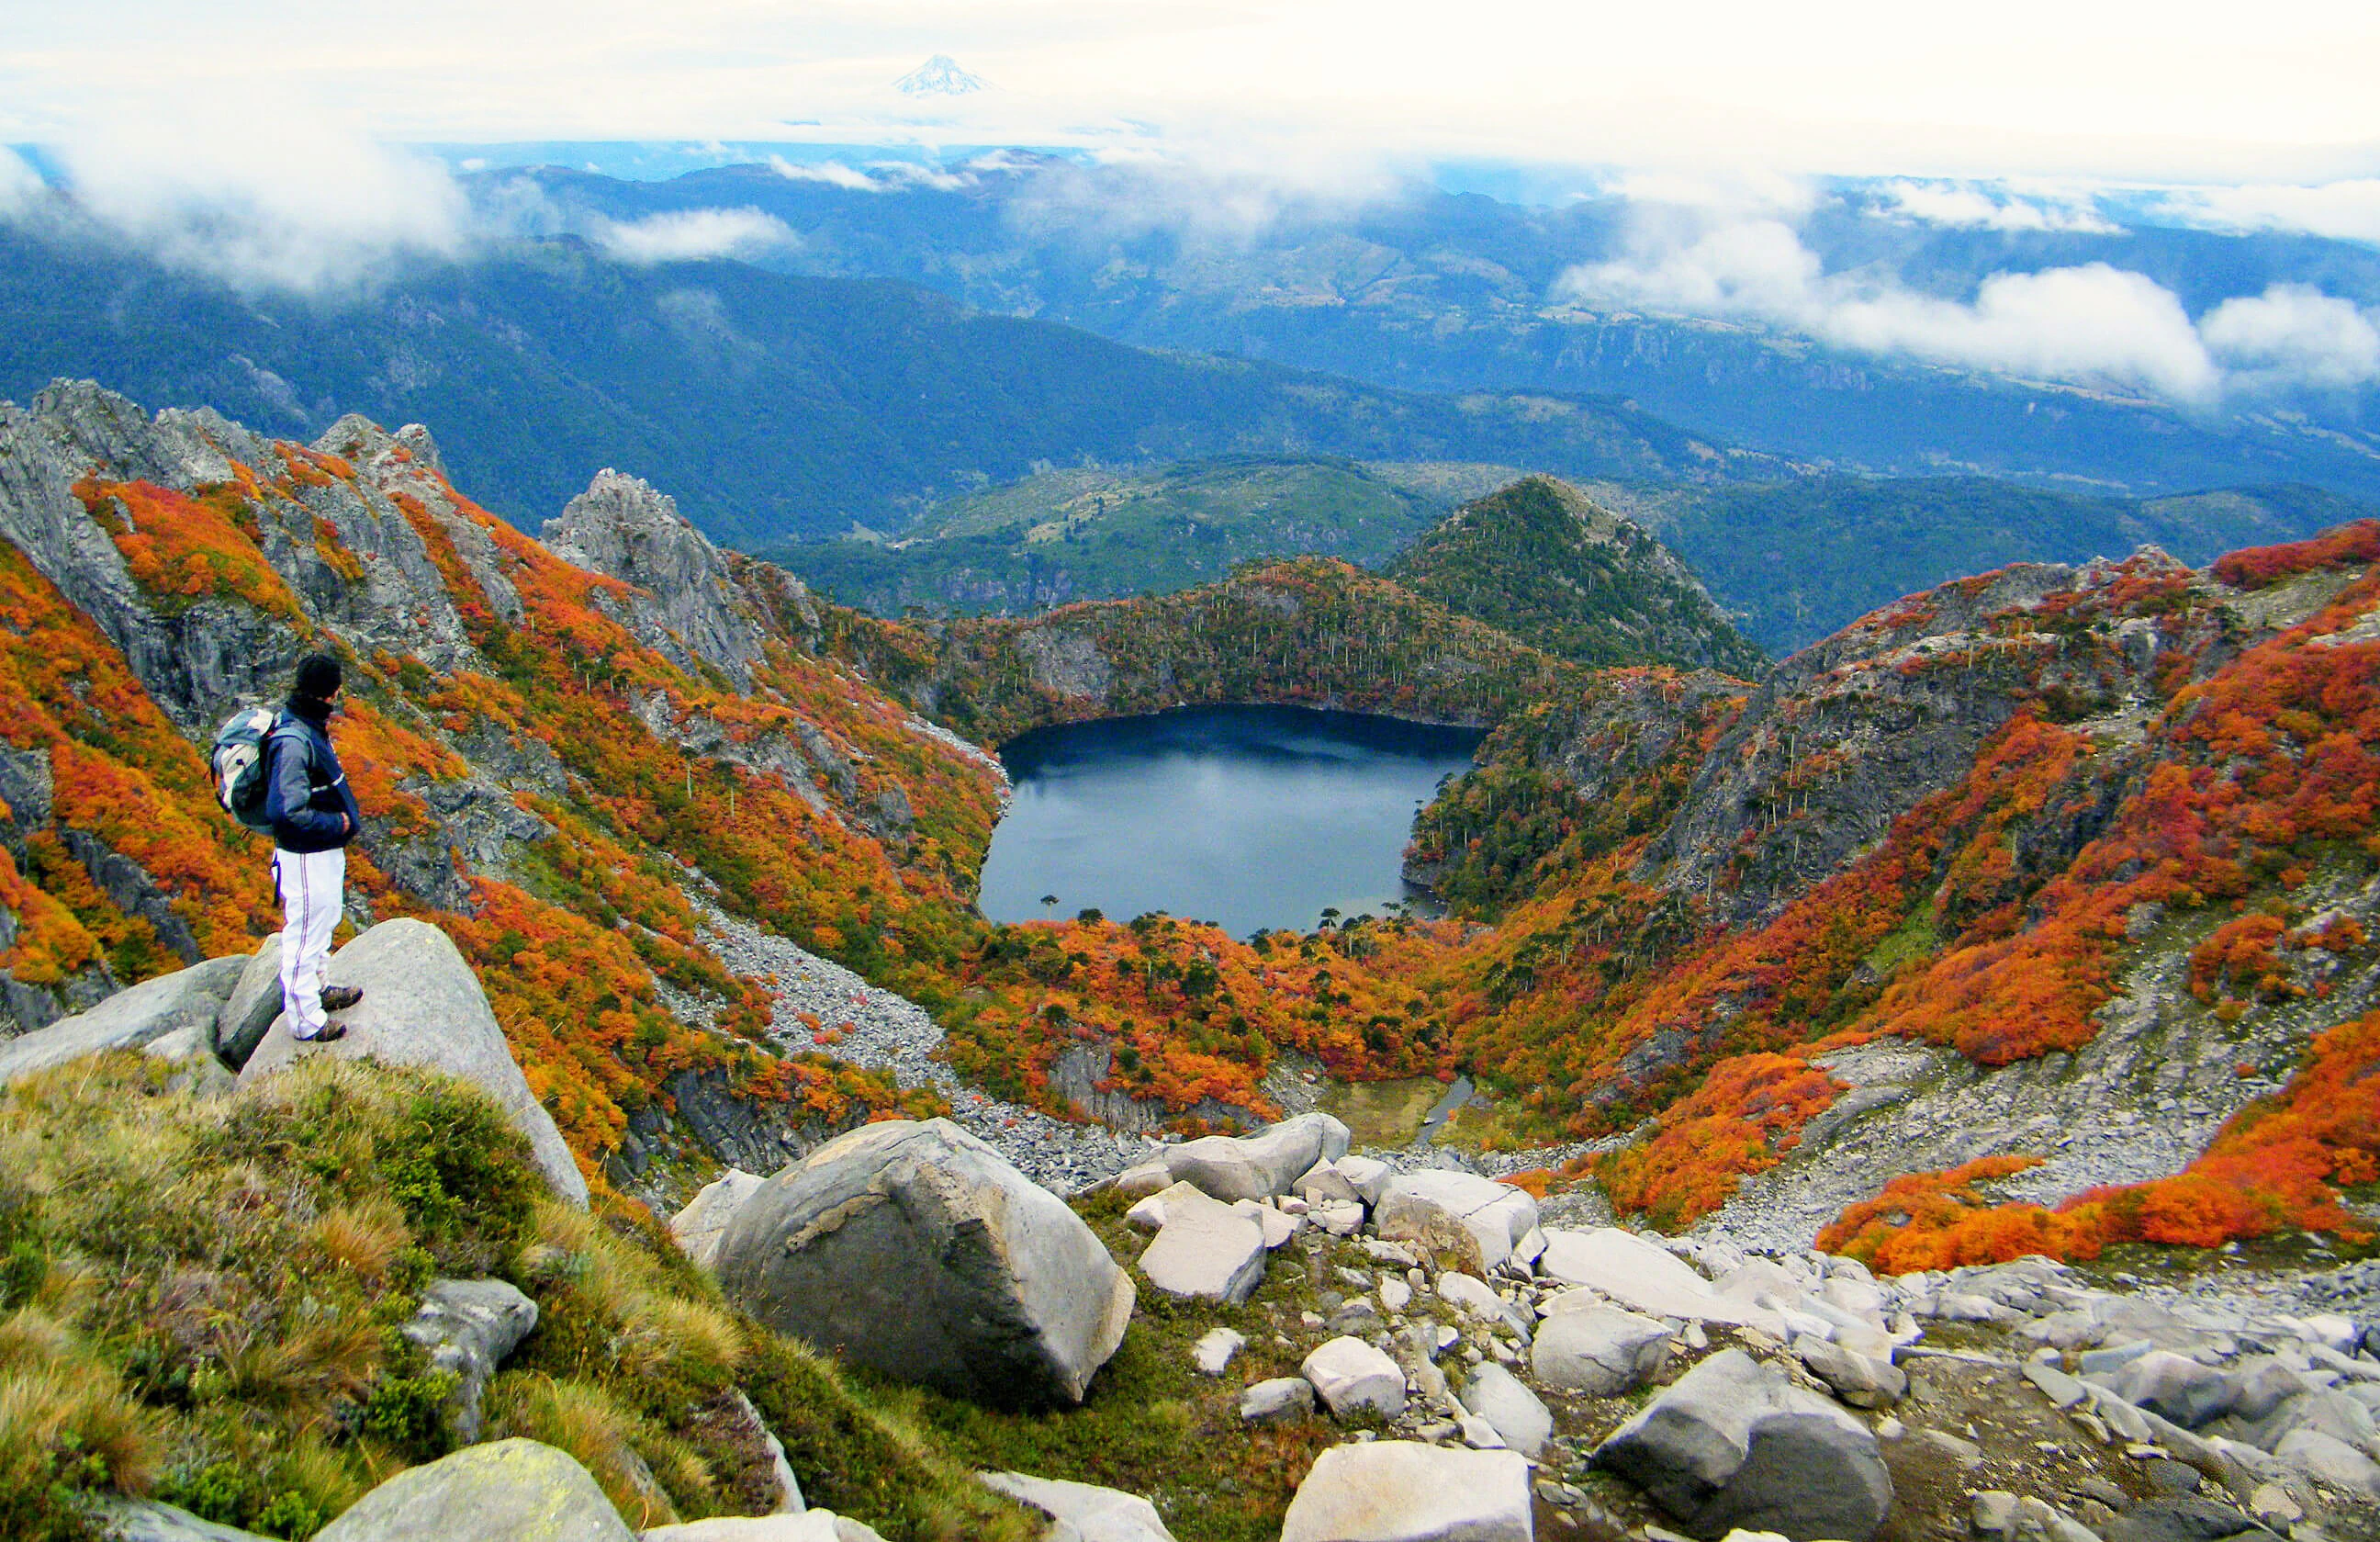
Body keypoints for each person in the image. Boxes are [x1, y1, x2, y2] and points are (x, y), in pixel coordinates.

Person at [264, 652, 365, 1042]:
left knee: (325, 921)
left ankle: (320, 989)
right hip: (304, 854)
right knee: (305, 933)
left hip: (322, 851)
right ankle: (306, 1021)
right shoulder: (294, 739)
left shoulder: (308, 725)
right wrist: (336, 823)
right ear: (329, 692)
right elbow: (285, 811)